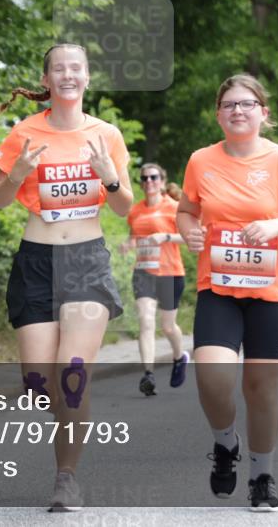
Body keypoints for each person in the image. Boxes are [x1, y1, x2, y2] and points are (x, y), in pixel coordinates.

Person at [0, 43, 132, 512]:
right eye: (59, 68)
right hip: (36, 260)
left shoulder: (106, 134)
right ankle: (70, 421)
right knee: (37, 381)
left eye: (77, 68)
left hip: (86, 259)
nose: (68, 75)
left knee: (73, 373)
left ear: (88, 77)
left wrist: (110, 178)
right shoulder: (25, 132)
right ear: (47, 80)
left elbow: (125, 205)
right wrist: (19, 173)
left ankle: (66, 477)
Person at [176, 74, 278, 511]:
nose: (237, 110)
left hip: (270, 292)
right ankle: (225, 444)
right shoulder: (201, 160)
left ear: (263, 112)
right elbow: (186, 211)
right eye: (229, 105)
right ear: (219, 114)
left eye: (246, 103)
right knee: (213, 378)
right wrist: (189, 234)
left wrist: (277, 225)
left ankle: (262, 475)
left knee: (260, 389)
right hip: (218, 287)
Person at [120, 163, 188, 396]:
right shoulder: (135, 211)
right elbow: (134, 237)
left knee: (167, 327)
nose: (149, 182)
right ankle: (147, 374)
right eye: (144, 178)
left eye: (153, 177)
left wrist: (167, 236)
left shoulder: (174, 207)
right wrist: (127, 245)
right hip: (144, 271)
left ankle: (180, 357)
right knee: (145, 321)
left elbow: (191, 236)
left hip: (169, 272)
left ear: (162, 180)